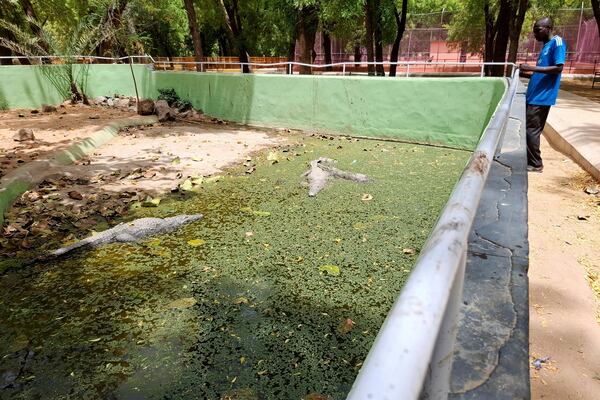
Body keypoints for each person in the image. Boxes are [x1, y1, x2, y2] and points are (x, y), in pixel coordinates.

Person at [520, 17, 566, 172]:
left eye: (537, 30)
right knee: (529, 129)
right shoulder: (546, 46)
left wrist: (531, 68)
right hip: (534, 96)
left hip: (542, 98)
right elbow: (541, 74)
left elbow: (558, 68)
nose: (535, 34)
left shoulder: (557, 42)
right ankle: (530, 160)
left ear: (548, 28)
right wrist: (525, 74)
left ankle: (535, 163)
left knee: (532, 130)